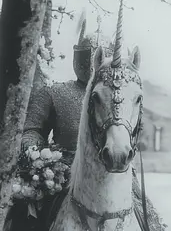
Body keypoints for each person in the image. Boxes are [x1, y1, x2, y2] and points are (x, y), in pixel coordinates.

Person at [4, 14, 167, 231]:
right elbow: (31, 130)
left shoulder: (119, 95)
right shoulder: (54, 93)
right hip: (61, 172)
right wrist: (43, 157)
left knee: (150, 217)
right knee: (25, 216)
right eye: (85, 55)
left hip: (116, 168)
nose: (89, 61)